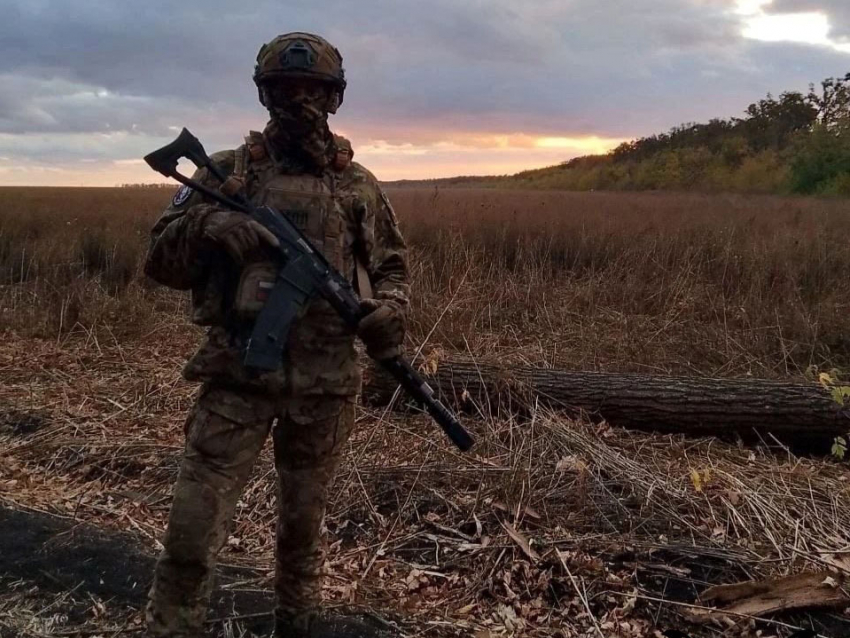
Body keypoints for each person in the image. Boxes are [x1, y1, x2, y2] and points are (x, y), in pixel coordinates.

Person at [143, 32, 409, 638]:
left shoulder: (357, 184)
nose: (299, 102)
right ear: (264, 95)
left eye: (313, 90)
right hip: (235, 381)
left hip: (324, 389)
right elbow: (158, 263)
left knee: (302, 538)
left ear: (334, 98)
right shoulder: (225, 174)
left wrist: (391, 309)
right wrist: (209, 226)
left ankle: (297, 625)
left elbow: (392, 266)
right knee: (190, 535)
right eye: (285, 89)